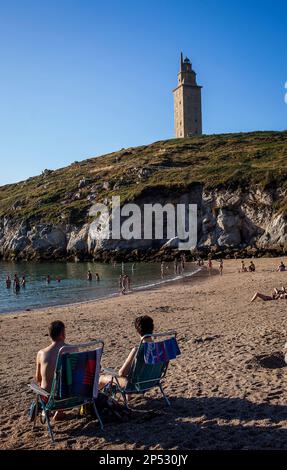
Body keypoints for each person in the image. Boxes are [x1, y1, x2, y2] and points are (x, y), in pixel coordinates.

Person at [99, 315, 154, 390]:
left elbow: (122, 373)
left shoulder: (137, 350)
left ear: (137, 331)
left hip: (135, 385)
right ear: (152, 328)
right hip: (152, 382)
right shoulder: (159, 348)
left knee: (102, 378)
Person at [35, 321, 68, 420]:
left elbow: (38, 378)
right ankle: (60, 411)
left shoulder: (42, 353)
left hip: (50, 399)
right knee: (65, 381)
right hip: (71, 396)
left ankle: (47, 411)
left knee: (43, 384)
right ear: (63, 333)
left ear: (49, 335)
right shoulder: (74, 350)